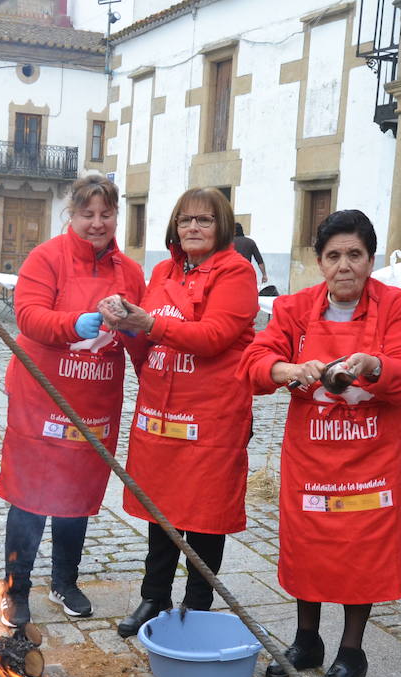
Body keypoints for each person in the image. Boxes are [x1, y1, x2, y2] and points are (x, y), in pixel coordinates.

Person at [238, 209, 401, 677]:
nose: (345, 265)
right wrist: (293, 369)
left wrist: (371, 365)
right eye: (334, 255)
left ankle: (351, 651)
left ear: (370, 260)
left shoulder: (394, 305)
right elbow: (256, 363)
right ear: (319, 262)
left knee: (362, 552)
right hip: (313, 455)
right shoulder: (293, 309)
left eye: (355, 255)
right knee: (308, 544)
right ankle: (306, 641)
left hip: (373, 459)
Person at [102, 188, 258, 638]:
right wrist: (123, 323)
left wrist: (148, 323)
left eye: (204, 221)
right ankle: (154, 596)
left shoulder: (236, 273)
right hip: (160, 411)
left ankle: (197, 603)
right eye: (186, 220)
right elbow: (148, 342)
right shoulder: (163, 271)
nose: (193, 228)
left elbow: (213, 336)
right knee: (160, 509)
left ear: (221, 227)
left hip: (211, 413)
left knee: (204, 514)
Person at [0, 173, 147, 628]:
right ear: (72, 214)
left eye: (106, 214)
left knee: (75, 494)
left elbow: (141, 333)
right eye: (87, 214)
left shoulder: (131, 272)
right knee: (31, 494)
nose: (97, 223)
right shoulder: (47, 258)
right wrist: (75, 325)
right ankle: (15, 588)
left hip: (95, 397)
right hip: (41, 396)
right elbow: (28, 316)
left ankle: (64, 580)